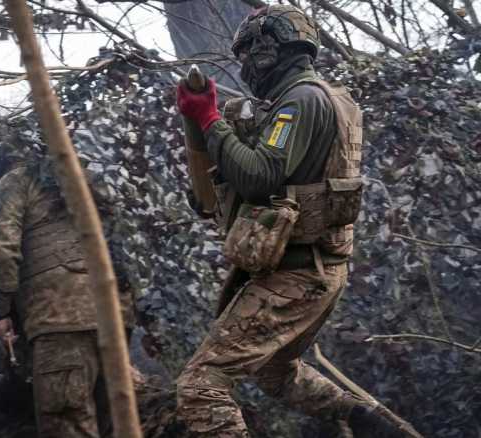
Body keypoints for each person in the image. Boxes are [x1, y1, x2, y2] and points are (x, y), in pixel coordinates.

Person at [175, 5, 421, 438]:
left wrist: (210, 120)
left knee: (201, 386)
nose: (246, 63)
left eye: (248, 51)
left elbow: (259, 177)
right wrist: (210, 129)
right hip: (313, 269)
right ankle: (369, 424)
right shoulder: (317, 98)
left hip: (299, 273)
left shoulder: (303, 99)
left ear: (271, 48)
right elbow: (235, 187)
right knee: (275, 372)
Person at [0, 124, 135, 438]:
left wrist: (0, 311)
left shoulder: (17, 182)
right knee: (111, 425)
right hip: (115, 319)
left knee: (67, 422)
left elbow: (1, 250)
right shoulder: (85, 181)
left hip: (60, 321)